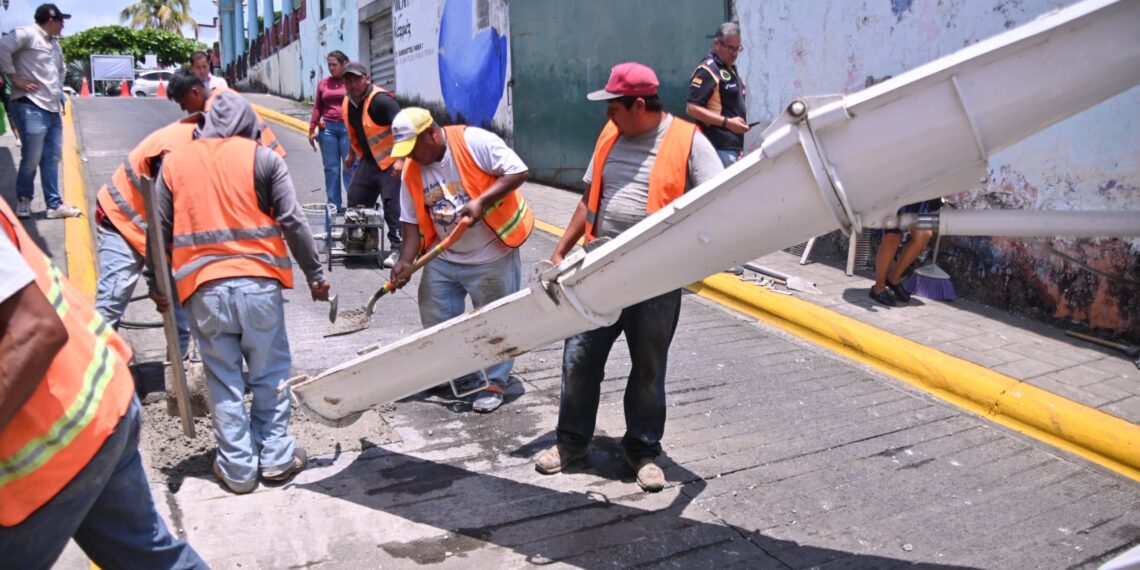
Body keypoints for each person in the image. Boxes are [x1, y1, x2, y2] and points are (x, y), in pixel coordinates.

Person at [535, 62, 723, 492]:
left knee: (648, 368)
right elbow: (589, 198)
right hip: (597, 269)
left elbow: (717, 203)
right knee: (578, 360)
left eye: (613, 108)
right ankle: (572, 442)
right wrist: (562, 249)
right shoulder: (609, 137)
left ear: (639, 105)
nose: (608, 117)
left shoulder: (688, 141)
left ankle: (642, 451)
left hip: (654, 279)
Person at [0, 197, 208, 568]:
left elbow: (35, 329)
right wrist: (158, 280)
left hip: (53, 438)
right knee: (150, 558)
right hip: (98, 401)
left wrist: (159, 280)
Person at [149, 92, 329, 494]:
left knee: (223, 379)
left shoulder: (175, 162)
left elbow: (158, 231)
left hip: (202, 289)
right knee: (271, 374)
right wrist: (316, 276)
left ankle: (238, 469)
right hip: (259, 285)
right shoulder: (263, 158)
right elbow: (294, 222)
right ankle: (277, 457)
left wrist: (156, 286)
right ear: (248, 124)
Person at [388, 107, 532, 414]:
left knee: (496, 319)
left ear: (431, 134)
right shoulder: (412, 170)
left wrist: (481, 201)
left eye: (413, 148)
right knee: (435, 313)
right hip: (445, 256)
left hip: (491, 253)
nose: (410, 157)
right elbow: (410, 223)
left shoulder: (473, 142)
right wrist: (405, 262)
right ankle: (452, 370)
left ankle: (495, 381)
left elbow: (518, 171)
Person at [93, 114, 199, 355]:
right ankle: (96, 368)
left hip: (160, 228)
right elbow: (162, 223)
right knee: (113, 297)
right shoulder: (176, 153)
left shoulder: (207, 144)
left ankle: (181, 364)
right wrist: (154, 281)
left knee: (178, 297)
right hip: (122, 220)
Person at [0, 3, 80, 220]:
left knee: (52, 157)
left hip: (51, 107)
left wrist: (57, 91)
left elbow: (61, 69)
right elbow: (2, 47)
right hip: (29, 104)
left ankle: (54, 205)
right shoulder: (26, 34)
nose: (63, 26)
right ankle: (24, 200)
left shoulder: (55, 45)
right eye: (61, 21)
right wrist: (14, 77)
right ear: (51, 20)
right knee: (32, 156)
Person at [342, 61, 402, 267]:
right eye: (348, 80)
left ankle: (398, 249)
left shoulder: (381, 101)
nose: (352, 84)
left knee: (392, 204)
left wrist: (401, 159)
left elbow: (404, 129)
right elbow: (356, 131)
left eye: (357, 79)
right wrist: (351, 154)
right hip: (368, 161)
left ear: (367, 79)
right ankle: (361, 241)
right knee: (356, 197)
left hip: (390, 162)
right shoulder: (349, 103)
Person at [166, 68, 285, 158]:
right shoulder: (216, 100)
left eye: (184, 103)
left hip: (263, 163)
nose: (183, 109)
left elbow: (212, 145)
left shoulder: (221, 102)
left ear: (195, 93)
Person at [686, 22, 750, 167]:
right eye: (730, 48)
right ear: (717, 44)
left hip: (731, 147)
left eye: (737, 48)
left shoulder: (729, 68)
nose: (734, 53)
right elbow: (692, 108)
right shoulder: (708, 70)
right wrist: (728, 123)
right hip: (717, 147)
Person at [869, 198, 941, 306]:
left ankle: (893, 277)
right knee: (893, 235)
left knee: (924, 234)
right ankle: (878, 287)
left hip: (920, 193)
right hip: (897, 190)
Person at [309, 50, 352, 211]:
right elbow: (317, 107)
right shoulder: (323, 83)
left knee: (349, 168)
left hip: (347, 128)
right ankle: (334, 205)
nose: (331, 68)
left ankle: (354, 206)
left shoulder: (349, 81)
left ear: (343, 64)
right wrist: (312, 129)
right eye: (329, 65)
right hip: (327, 129)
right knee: (331, 169)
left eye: (335, 65)